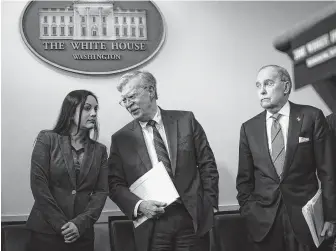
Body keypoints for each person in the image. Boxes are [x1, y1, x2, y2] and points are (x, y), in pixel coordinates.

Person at [108, 70, 219, 251]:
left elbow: (207, 165)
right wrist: (140, 205)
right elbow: (114, 184)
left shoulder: (185, 120)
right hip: (152, 223)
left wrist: (210, 205)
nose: (128, 104)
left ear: (151, 90)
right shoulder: (121, 139)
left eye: (132, 97)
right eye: (124, 100)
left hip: (191, 217)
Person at [236, 65, 336, 251]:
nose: (262, 91)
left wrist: (331, 217)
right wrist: (250, 212)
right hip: (264, 224)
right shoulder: (248, 128)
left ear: (286, 87)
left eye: (268, 83)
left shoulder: (311, 117)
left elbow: (327, 171)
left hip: (307, 222)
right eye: (258, 86)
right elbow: (244, 179)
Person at [26, 90, 108, 251]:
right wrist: (61, 225)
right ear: (70, 113)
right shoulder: (47, 139)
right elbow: (39, 186)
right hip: (45, 233)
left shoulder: (100, 150)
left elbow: (101, 192)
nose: (93, 113)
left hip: (82, 234)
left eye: (96, 109)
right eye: (87, 108)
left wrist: (79, 224)